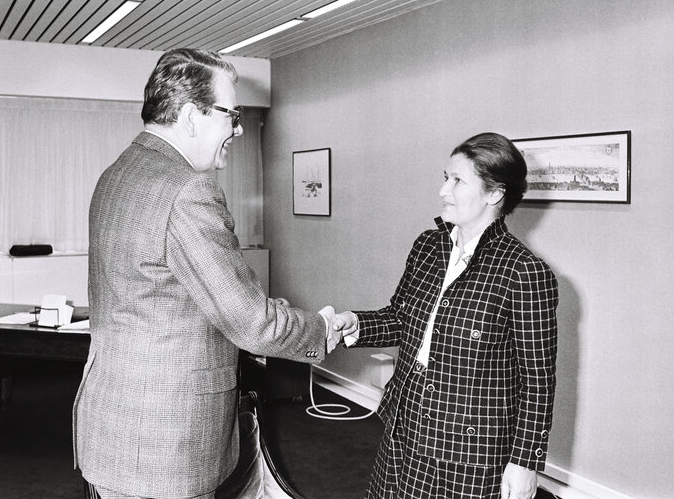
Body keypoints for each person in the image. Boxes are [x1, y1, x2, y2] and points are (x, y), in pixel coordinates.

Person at [73, 48, 340, 499]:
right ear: (193, 115)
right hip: (164, 450)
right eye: (231, 114)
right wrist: (322, 329)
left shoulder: (117, 174)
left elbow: (178, 294)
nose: (237, 127)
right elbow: (251, 321)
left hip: (114, 430)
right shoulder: (185, 190)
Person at [330, 132, 558, 499]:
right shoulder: (427, 246)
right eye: (444, 177)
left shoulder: (523, 272)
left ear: (494, 194)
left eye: (457, 181)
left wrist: (524, 461)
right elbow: (402, 319)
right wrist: (354, 323)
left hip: (469, 451)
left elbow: (538, 381)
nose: (442, 190)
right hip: (404, 423)